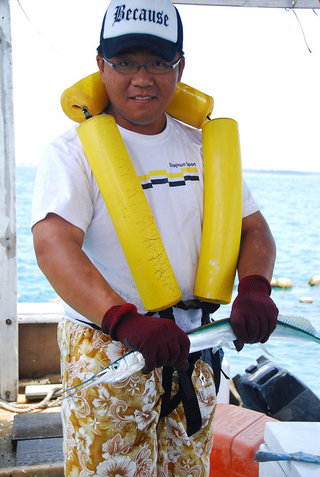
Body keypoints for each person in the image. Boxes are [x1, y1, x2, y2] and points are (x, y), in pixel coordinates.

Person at [31, 0, 278, 475]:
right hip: (112, 346)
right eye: (125, 62)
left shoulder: (203, 146)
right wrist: (125, 321)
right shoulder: (71, 153)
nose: (141, 77)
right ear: (101, 66)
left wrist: (254, 288)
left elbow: (253, 228)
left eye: (158, 63)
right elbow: (53, 244)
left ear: (180, 68)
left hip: (195, 346)